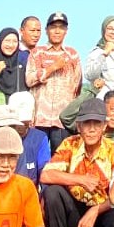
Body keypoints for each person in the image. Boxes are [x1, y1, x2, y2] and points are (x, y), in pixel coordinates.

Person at [39, 98, 114, 227]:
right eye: (87, 123)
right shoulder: (70, 144)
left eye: (97, 124)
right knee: (52, 192)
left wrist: (95, 210)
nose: (91, 129)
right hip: (75, 210)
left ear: (104, 126)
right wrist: (80, 180)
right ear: (79, 126)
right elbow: (46, 175)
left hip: (102, 212)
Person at [27, 12, 82, 150]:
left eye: (61, 27)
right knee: (38, 161)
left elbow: (77, 87)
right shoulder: (37, 52)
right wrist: (53, 67)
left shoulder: (72, 54)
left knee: (60, 160)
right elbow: (29, 80)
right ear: (47, 30)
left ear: (66, 31)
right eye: (53, 27)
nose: (57, 31)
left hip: (62, 119)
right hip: (40, 118)